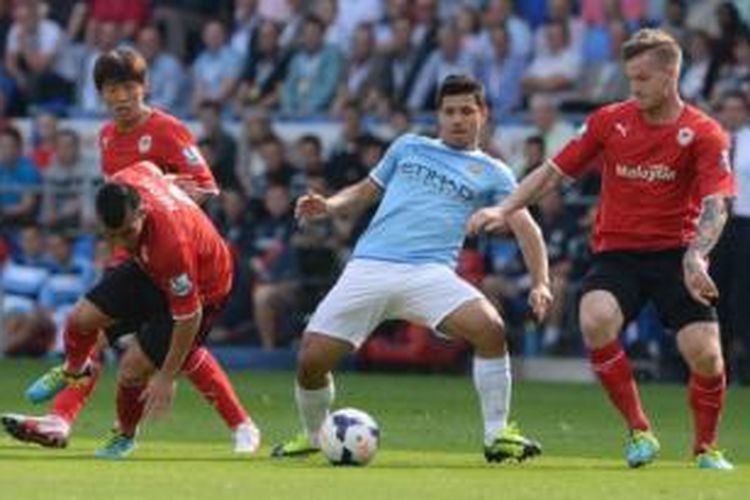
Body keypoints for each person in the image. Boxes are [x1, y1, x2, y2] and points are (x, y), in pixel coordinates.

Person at [468, 29, 735, 470]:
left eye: (644, 78)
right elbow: (552, 172)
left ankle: (706, 449)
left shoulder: (703, 132)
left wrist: (696, 256)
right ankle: (639, 431)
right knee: (594, 318)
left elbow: (716, 203)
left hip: (677, 255)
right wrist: (505, 208)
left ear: (671, 75)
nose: (635, 88)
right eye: (630, 78)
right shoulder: (609, 121)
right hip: (618, 253)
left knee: (706, 354)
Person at [271, 75, 551, 463]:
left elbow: (527, 229)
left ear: (483, 114)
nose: (457, 119)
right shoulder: (408, 146)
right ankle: (313, 434)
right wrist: (331, 206)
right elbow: (365, 192)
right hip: (370, 266)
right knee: (311, 359)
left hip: (430, 274)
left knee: (490, 329)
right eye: (449, 111)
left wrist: (542, 283)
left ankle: (497, 434)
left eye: (467, 111)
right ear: (438, 115)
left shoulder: (494, 172)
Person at [1, 47, 258, 455]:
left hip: (185, 252)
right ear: (100, 94)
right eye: (111, 89)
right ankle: (59, 420)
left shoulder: (168, 129)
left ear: (144, 87)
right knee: (91, 331)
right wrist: (121, 244)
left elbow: (207, 188)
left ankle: (240, 424)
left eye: (128, 88)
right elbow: (116, 199)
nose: (120, 97)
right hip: (137, 253)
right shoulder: (106, 136)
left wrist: (167, 198)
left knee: (168, 350)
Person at [7, 162, 243, 460]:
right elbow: (146, 166)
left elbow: (190, 316)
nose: (121, 242)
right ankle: (73, 370)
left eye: (127, 232)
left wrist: (166, 376)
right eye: (112, 234)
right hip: (149, 270)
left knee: (131, 371)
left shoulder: (171, 245)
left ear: (142, 212)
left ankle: (125, 436)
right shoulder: (127, 182)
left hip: (205, 290)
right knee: (80, 319)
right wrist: (166, 180)